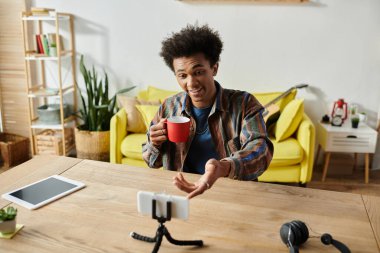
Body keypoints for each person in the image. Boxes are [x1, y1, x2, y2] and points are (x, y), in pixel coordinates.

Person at [142, 24, 273, 199]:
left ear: (214, 68)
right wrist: (154, 143)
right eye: (182, 75)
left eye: (198, 72)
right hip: (182, 192)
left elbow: (261, 150)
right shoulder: (168, 107)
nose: (191, 83)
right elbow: (151, 161)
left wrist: (223, 167)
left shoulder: (244, 104)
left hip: (232, 195)